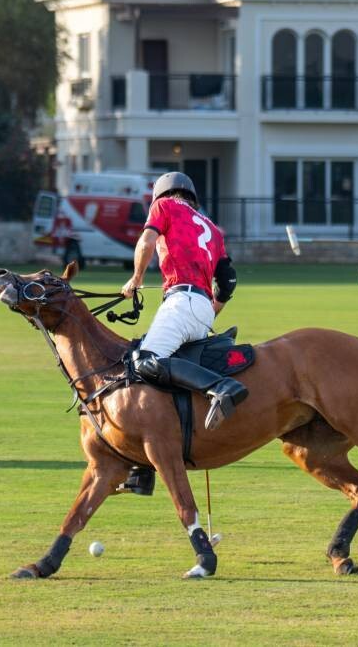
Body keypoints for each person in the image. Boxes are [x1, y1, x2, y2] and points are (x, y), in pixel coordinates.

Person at [117, 171, 247, 495]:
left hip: (182, 299)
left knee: (141, 361)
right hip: (199, 306)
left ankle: (221, 388)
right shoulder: (213, 228)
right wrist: (211, 308)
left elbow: (146, 240)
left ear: (162, 195)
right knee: (160, 378)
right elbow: (228, 279)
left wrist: (134, 279)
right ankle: (142, 468)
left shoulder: (164, 208)